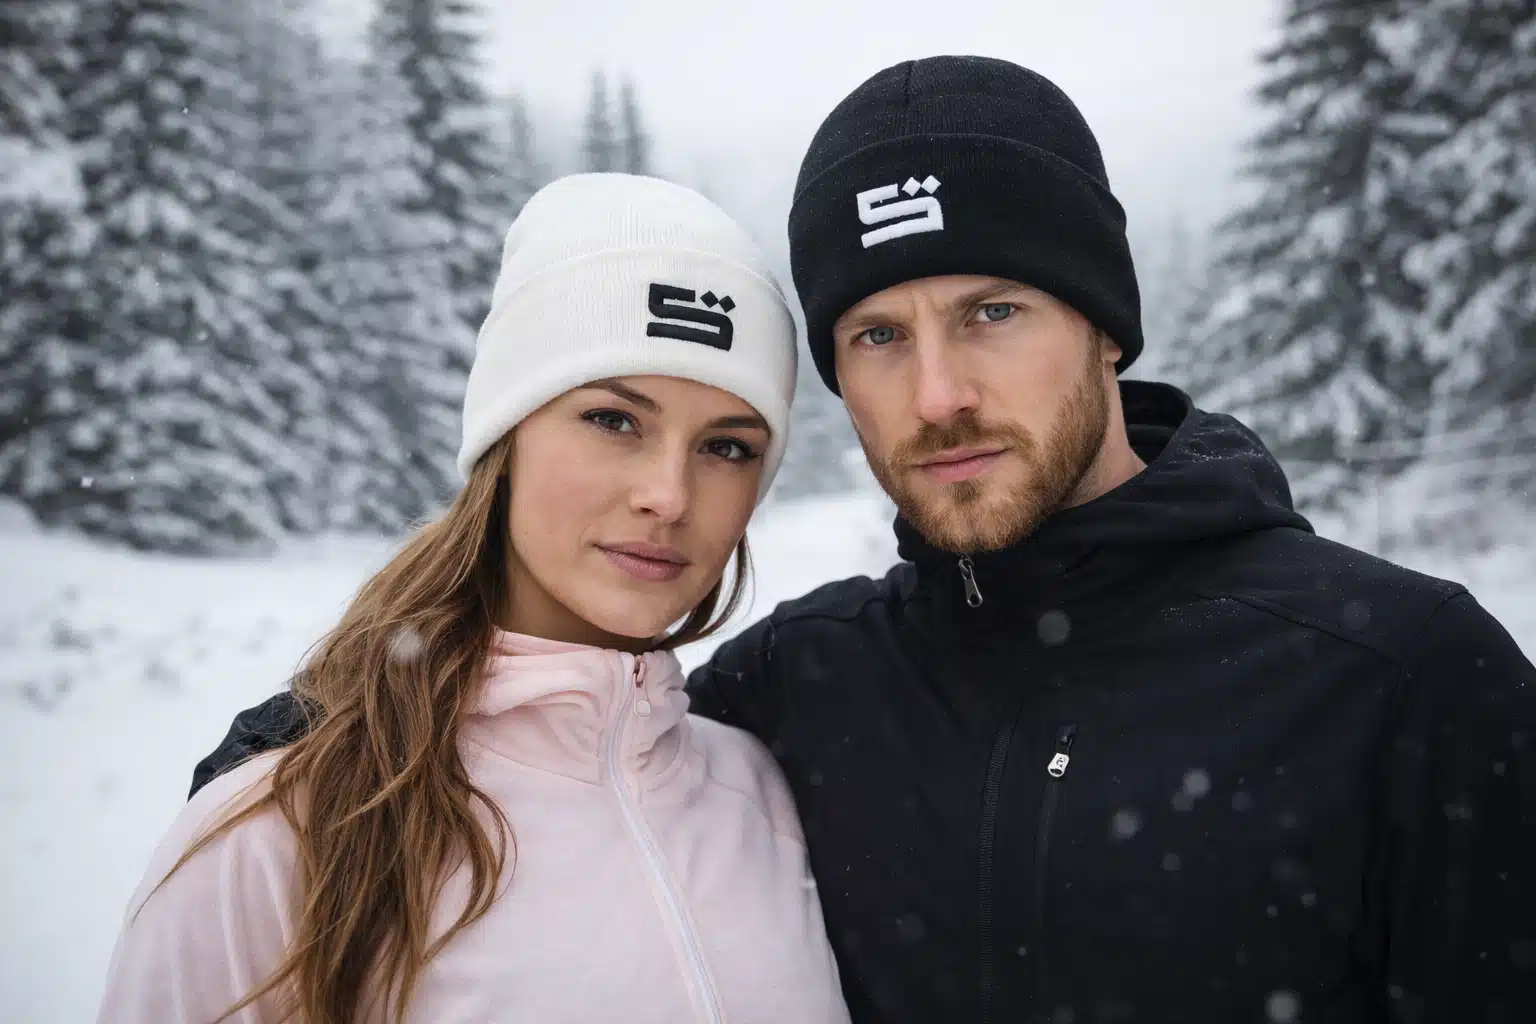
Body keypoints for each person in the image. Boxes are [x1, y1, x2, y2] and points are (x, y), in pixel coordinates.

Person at [187, 58, 1536, 1023]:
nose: (937, 394)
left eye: (992, 311)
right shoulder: (801, 686)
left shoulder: (1405, 676)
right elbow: (565, 739)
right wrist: (318, 735)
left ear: (1106, 327)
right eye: (878, 335)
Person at [98, 174, 850, 1024]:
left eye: (727, 447)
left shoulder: (759, 794)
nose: (668, 495)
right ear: (506, 435)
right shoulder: (279, 831)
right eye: (614, 420)